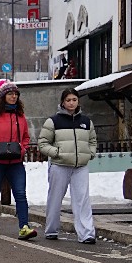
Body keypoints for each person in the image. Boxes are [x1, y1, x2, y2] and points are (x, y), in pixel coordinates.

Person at [0, 79, 37, 240]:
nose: (13, 96)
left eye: (16, 94)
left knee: (20, 194)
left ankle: (24, 227)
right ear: (3, 96)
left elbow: (26, 137)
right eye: (10, 94)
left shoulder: (20, 116)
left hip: (15, 163)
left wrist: (22, 149)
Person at [38, 88, 98, 244]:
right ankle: (51, 230)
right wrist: (56, 152)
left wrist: (90, 153)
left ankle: (86, 234)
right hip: (59, 165)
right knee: (55, 198)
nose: (71, 103)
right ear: (62, 102)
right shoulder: (53, 121)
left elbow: (92, 141)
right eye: (68, 100)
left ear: (78, 101)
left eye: (74, 100)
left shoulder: (86, 122)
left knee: (82, 199)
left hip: (80, 166)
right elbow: (43, 143)